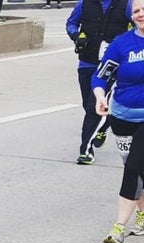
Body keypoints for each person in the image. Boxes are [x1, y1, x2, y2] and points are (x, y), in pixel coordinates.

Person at [92, 0, 144, 243]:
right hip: (122, 115)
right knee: (138, 168)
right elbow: (101, 75)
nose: (141, 14)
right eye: (136, 11)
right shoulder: (122, 44)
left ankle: (119, 227)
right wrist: (100, 97)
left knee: (133, 166)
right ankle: (142, 214)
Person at [66, 0, 130, 164]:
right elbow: (71, 23)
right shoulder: (84, 4)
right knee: (87, 103)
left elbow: (137, 25)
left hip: (111, 65)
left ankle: (86, 151)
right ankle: (103, 125)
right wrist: (76, 35)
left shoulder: (126, 4)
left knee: (92, 107)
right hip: (87, 62)